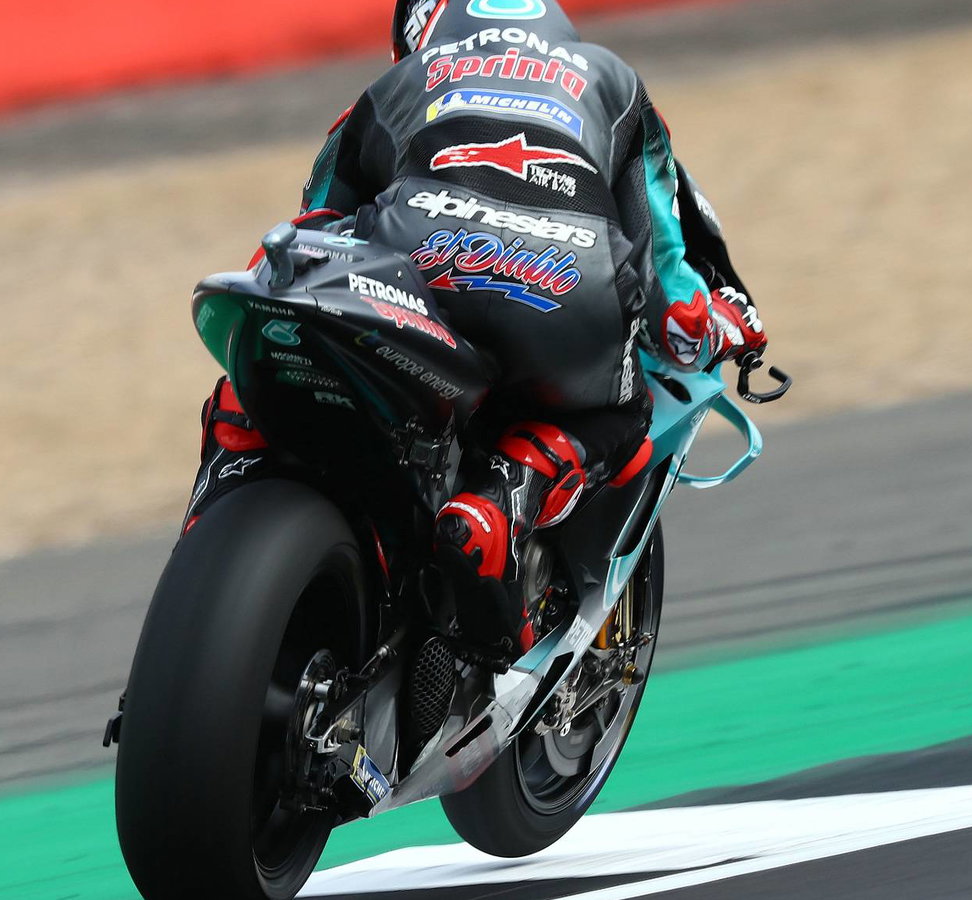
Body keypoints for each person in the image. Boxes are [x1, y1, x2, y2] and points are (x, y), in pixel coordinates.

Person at [189, 0, 771, 659]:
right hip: (565, 282)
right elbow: (667, 282)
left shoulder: (397, 83)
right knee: (623, 414)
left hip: (421, 264)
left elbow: (311, 232)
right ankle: (506, 495)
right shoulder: (613, 80)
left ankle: (218, 508)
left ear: (420, 32)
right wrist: (719, 327)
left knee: (267, 374)